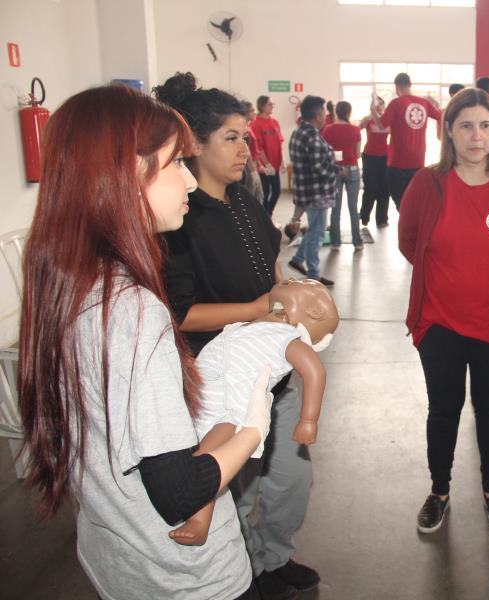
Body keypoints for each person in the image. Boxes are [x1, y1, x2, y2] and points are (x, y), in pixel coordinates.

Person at [18, 84, 269, 600]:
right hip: (184, 575)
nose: (188, 181)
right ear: (127, 176)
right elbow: (179, 491)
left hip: (118, 557)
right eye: (175, 163)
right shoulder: (132, 311)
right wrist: (252, 423)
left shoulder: (68, 280)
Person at [155, 72, 321, 599]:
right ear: (195, 145)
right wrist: (256, 310)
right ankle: (242, 570)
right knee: (232, 483)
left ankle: (273, 556)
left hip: (276, 358)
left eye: (246, 136)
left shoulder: (245, 201)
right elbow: (181, 315)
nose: (245, 148)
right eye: (231, 137)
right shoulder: (180, 222)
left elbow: (271, 264)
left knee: (291, 479)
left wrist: (290, 305)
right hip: (223, 377)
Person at [398, 88, 489, 535]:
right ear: (448, 132)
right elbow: (410, 242)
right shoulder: (426, 184)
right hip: (439, 323)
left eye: (485, 125)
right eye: (466, 126)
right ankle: (439, 491)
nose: (476, 135)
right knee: (443, 410)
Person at [170, 279, 338, 547]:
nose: (293, 281)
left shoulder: (289, 339)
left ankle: (199, 518)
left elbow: (314, 371)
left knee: (213, 447)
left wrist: (309, 420)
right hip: (200, 387)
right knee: (195, 448)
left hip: (230, 405)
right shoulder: (259, 323)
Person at [286, 94, 339, 287]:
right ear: (317, 115)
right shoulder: (313, 137)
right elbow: (321, 169)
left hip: (305, 191)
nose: (325, 115)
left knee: (314, 230)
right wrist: (337, 170)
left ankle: (299, 259)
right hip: (317, 194)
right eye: (324, 112)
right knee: (316, 233)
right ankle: (314, 275)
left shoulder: (299, 132)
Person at [381, 72, 442, 208]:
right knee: (415, 200)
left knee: (400, 201)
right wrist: (440, 132)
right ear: (410, 85)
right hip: (418, 161)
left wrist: (373, 112)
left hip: (398, 161)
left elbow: (382, 124)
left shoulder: (396, 103)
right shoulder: (424, 103)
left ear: (397, 87)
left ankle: (406, 225)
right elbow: (440, 116)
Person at [323, 100, 364, 250]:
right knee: (353, 207)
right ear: (349, 113)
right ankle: (358, 242)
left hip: (335, 170)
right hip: (352, 168)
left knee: (335, 208)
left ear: (336, 112)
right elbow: (358, 153)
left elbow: (326, 153)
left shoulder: (328, 130)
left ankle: (335, 243)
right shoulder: (355, 130)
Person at [358, 95, 391, 227]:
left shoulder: (387, 120)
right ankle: (364, 216)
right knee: (370, 188)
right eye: (376, 104)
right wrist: (366, 119)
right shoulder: (368, 119)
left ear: (384, 106)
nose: (379, 106)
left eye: (381, 104)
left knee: (385, 188)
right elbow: (357, 129)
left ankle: (382, 219)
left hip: (385, 156)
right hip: (369, 156)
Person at [250, 95, 284, 216]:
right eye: (270, 104)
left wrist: (282, 163)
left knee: (277, 191)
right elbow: (258, 148)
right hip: (264, 167)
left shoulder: (275, 122)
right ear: (262, 106)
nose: (272, 106)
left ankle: (269, 214)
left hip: (275, 164)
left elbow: (280, 142)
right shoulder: (256, 123)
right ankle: (265, 217)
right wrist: (267, 164)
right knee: (266, 191)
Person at [240, 100, 265, 204]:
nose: (255, 113)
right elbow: (247, 151)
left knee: (258, 194)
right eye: (252, 110)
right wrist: (253, 171)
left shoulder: (249, 127)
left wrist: (259, 165)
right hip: (248, 166)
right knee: (253, 195)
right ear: (246, 113)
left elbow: (255, 150)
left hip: (253, 164)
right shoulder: (244, 129)